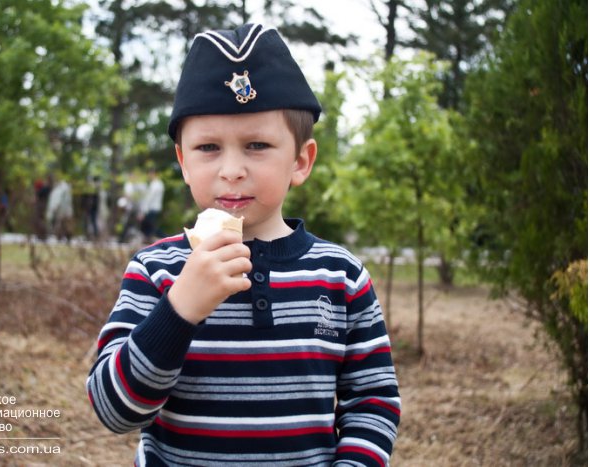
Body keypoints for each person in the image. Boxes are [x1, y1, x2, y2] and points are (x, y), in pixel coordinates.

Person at [87, 23, 400, 466]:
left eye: (257, 145)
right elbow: (113, 410)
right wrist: (180, 308)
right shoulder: (157, 271)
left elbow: (373, 400)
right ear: (183, 161)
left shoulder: (340, 276)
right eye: (208, 147)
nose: (231, 169)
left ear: (301, 160)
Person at [139, 168, 165, 242]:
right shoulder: (156, 184)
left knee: (148, 225)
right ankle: (149, 239)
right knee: (149, 226)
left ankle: (165, 237)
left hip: (152, 208)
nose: (149, 176)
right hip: (154, 208)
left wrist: (143, 212)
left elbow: (149, 199)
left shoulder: (156, 184)